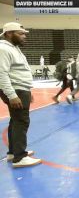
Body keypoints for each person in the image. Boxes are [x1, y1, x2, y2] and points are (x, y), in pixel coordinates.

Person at [0, 22, 41, 167]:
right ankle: (19, 157)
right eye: (21, 33)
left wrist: (27, 90)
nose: (24, 36)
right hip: (16, 90)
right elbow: (2, 74)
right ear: (9, 34)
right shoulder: (3, 49)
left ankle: (13, 152)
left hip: (21, 89)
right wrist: (12, 95)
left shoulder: (14, 48)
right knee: (21, 121)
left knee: (15, 120)